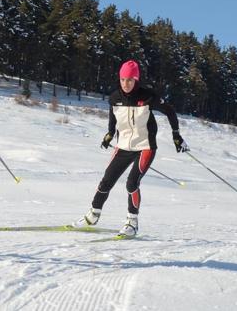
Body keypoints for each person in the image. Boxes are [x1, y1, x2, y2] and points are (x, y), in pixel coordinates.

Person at [73, 59, 189, 236]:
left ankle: (132, 223)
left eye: (129, 80)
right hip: (123, 146)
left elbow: (170, 111)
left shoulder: (148, 96)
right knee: (106, 181)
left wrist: (176, 135)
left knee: (131, 183)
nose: (125, 84)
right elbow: (113, 117)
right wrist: (110, 133)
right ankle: (93, 215)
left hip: (145, 146)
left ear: (136, 80)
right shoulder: (114, 98)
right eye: (122, 80)